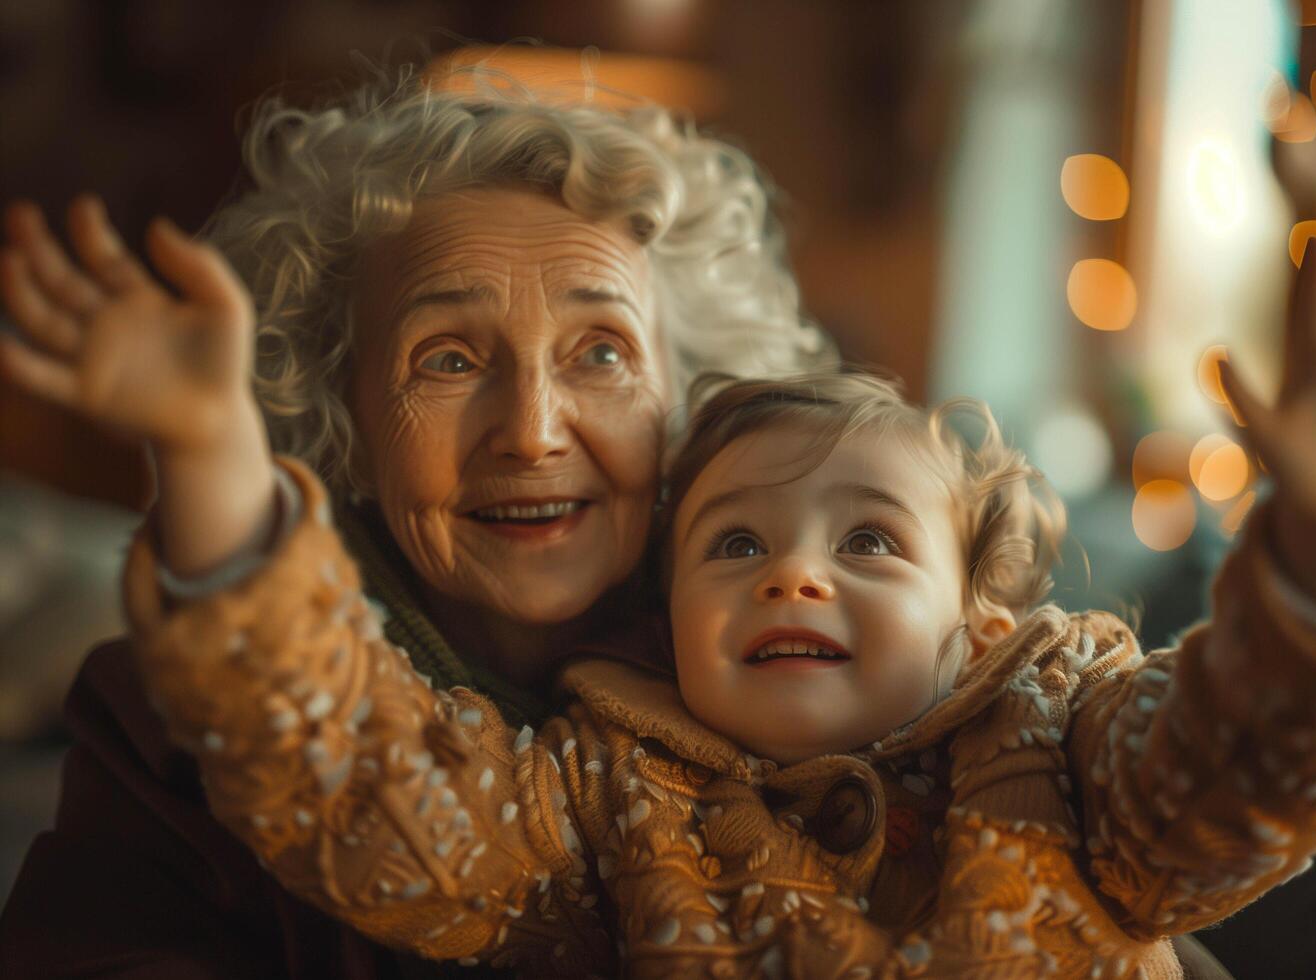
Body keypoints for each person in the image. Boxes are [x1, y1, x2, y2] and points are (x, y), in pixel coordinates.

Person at [11, 205, 1316, 973]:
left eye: (870, 544)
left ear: (976, 614)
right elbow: (375, 800)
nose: (792, 570)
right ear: (666, 598)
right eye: (736, 545)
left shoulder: (1065, 731)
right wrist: (206, 460)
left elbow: (1234, 780)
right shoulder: (597, 792)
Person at [0, 66, 831, 979]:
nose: (531, 432)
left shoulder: (796, 663)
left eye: (602, 351)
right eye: (447, 360)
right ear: (339, 416)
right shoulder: (175, 727)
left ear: (686, 407)